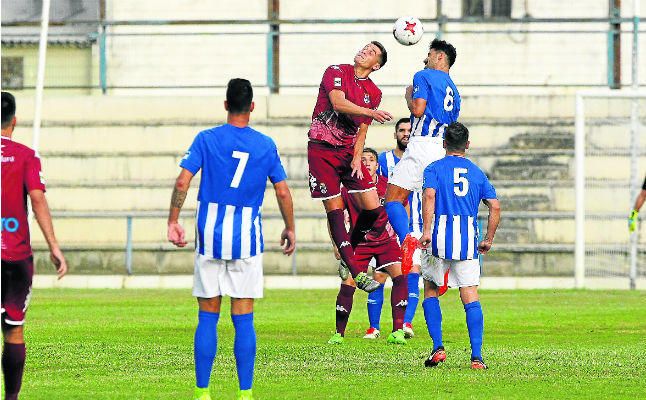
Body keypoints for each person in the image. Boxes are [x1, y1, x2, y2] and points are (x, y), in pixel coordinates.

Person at [167, 79, 295, 400]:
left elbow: (182, 182)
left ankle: (202, 393)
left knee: (207, 315)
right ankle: (244, 393)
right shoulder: (265, 144)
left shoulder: (206, 139)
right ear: (252, 107)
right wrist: (289, 227)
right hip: (246, 239)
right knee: (243, 315)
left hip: (210, 236)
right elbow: (282, 191)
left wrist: (173, 221)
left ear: (226, 104)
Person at [307, 41, 393, 292]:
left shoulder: (373, 92)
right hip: (322, 149)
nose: (365, 50)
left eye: (371, 52)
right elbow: (338, 103)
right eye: (365, 47)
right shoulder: (336, 71)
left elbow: (362, 129)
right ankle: (357, 272)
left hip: (347, 152)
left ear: (376, 66)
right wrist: (371, 112)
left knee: (373, 208)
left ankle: (348, 254)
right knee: (335, 211)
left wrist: (357, 157)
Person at [1, 91, 68, 400]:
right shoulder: (26, 155)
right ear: (14, 121)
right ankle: (12, 398)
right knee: (13, 328)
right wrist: (54, 246)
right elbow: (38, 198)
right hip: (15, 254)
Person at [418, 122, 500, 370]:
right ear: (467, 144)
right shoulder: (476, 172)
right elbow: (495, 206)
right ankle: (476, 357)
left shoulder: (433, 168)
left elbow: (429, 195)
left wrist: (426, 231)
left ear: (444, 143)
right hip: (467, 239)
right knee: (470, 294)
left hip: (439, 236)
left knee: (431, 289)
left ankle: (438, 347)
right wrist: (488, 239)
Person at [384, 38, 461, 274]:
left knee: (393, 199)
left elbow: (417, 110)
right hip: (442, 148)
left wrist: (408, 96)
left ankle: (407, 239)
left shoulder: (423, 75)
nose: (425, 59)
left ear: (439, 56)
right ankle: (442, 263)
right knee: (436, 208)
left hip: (422, 145)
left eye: (429, 55)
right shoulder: (455, 90)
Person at [327, 148, 408, 345]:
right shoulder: (347, 189)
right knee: (348, 282)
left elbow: (401, 206)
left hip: (386, 241)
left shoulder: (387, 186)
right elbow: (333, 218)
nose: (367, 163)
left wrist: (403, 233)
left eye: (371, 160)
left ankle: (397, 331)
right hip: (359, 242)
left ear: (377, 165)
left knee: (400, 276)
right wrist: (337, 244)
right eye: (363, 160)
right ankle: (339, 333)